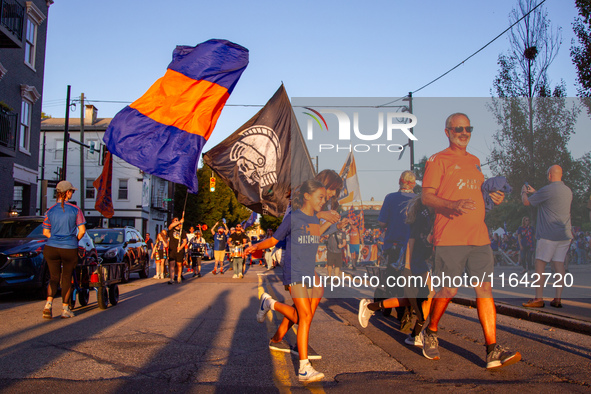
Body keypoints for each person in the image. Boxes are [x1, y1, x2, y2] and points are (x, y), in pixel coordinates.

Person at [420, 113, 520, 369]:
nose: (464, 133)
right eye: (458, 129)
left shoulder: (475, 161)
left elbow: (478, 195)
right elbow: (427, 197)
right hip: (450, 236)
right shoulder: (437, 160)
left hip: (479, 235)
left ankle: (492, 349)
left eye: (468, 128)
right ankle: (430, 330)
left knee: (484, 289)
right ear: (447, 132)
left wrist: (494, 200)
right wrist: (451, 204)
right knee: (449, 290)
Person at [246, 179, 347, 383]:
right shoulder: (293, 218)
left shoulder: (312, 220)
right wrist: (255, 246)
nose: (323, 202)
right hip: (296, 272)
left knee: (303, 316)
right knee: (306, 315)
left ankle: (270, 303)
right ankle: (303, 367)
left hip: (309, 271)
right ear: (307, 197)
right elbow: (274, 241)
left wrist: (334, 223)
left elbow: (317, 232)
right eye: (320, 198)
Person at [359, 195, 435, 348]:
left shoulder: (431, 217)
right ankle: (417, 333)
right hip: (416, 265)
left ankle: (371, 307)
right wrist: (407, 268)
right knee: (425, 300)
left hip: (424, 265)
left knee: (409, 299)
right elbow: (410, 244)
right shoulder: (422, 219)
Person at [521, 165, 573, 308]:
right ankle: (557, 299)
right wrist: (536, 192)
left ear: (550, 174)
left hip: (548, 235)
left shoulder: (548, 189)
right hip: (564, 235)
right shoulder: (567, 191)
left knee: (540, 264)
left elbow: (527, 202)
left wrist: (523, 192)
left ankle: (538, 298)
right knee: (559, 265)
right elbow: (550, 202)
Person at [41, 180, 86, 319]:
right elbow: (82, 230)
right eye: (71, 191)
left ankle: (48, 305)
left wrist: (55, 238)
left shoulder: (50, 210)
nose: (72, 193)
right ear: (66, 193)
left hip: (51, 247)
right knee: (66, 277)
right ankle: (65, 309)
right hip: (69, 248)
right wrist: (74, 240)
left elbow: (45, 232)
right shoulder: (75, 210)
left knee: (53, 277)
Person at [168, 217, 187, 284]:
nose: (177, 221)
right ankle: (172, 278)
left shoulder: (182, 231)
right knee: (172, 264)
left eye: (177, 220)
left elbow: (185, 241)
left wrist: (181, 247)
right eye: (175, 220)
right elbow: (171, 226)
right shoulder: (171, 229)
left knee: (179, 264)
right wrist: (179, 221)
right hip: (172, 249)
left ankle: (179, 277)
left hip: (179, 250)